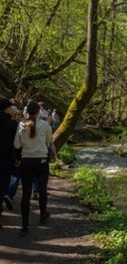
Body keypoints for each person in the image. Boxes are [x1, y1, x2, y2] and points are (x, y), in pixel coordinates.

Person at [14, 100, 57, 236]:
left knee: (26, 194)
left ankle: (24, 226)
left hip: (26, 161)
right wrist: (55, 155)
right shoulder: (45, 125)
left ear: (27, 111)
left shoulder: (21, 124)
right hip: (42, 161)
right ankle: (42, 215)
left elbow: (17, 145)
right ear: (39, 112)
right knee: (42, 190)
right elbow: (50, 141)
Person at [0, 98, 19, 226]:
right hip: (5, 158)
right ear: (7, 109)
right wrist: (18, 158)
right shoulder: (13, 124)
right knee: (2, 185)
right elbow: (16, 144)